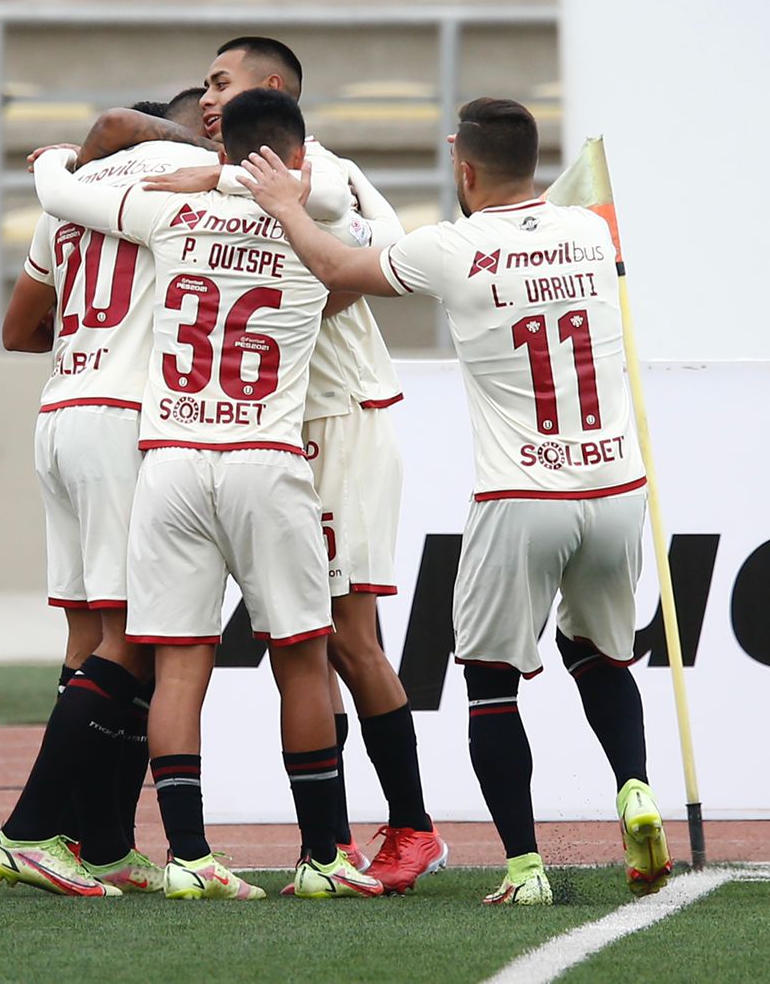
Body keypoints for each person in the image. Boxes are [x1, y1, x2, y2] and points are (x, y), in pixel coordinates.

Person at [237, 96, 674, 906]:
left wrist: (288, 206)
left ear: (464, 169)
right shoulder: (592, 230)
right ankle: (635, 787)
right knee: (600, 655)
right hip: (615, 486)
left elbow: (336, 270)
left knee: (492, 683)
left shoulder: (449, 247)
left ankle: (525, 867)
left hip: (523, 493)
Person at [91, 36, 446, 894]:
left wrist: (216, 187)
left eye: (222, 83)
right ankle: (333, 845)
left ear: (273, 89)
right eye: (205, 86)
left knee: (345, 637)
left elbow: (372, 256)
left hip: (336, 416)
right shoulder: (236, 184)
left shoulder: (317, 171)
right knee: (307, 644)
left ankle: (411, 827)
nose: (207, 99)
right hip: (266, 431)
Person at [29, 87, 384, 900]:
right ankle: (323, 858)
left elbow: (63, 197)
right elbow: (373, 233)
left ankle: (188, 856)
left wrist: (53, 162)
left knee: (181, 664)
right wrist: (276, 189)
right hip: (265, 460)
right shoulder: (321, 233)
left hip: (173, 461)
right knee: (302, 659)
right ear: (299, 155)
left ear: (221, 150)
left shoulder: (169, 212)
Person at [0, 91, 216, 897]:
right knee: (133, 642)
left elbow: (18, 330)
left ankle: (103, 843)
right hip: (125, 418)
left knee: (89, 639)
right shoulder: (188, 181)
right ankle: (28, 832)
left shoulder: (73, 196)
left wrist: (94, 337)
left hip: (62, 410)